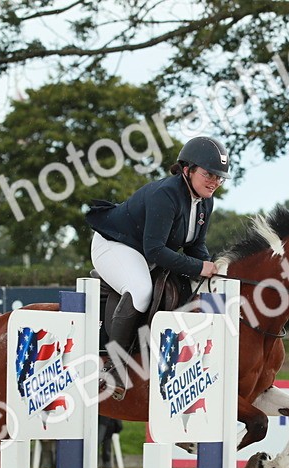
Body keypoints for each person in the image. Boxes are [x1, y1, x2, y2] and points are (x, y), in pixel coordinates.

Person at [85, 135, 229, 397]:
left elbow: (195, 245)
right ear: (188, 169)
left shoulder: (206, 202)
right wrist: (199, 267)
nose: (215, 182)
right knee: (141, 291)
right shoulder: (166, 195)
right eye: (209, 174)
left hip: (143, 252)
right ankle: (112, 367)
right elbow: (156, 250)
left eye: (219, 177)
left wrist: (209, 267)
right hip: (114, 245)